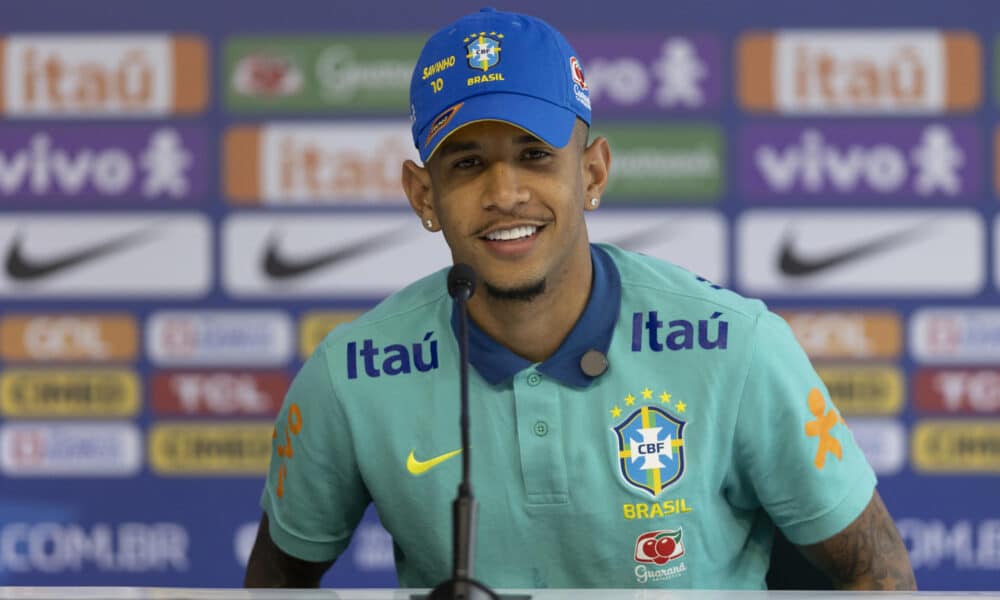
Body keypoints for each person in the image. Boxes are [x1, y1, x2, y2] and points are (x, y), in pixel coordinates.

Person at [244, 7, 916, 590]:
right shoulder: (349, 375)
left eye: (534, 155)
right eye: (467, 163)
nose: (505, 193)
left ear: (591, 173)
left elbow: (877, 575)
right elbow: (275, 587)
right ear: (425, 196)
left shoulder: (737, 346)